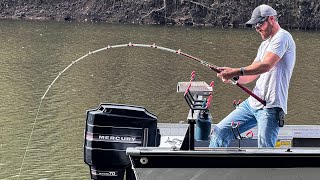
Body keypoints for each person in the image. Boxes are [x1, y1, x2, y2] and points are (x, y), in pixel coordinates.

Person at [209, 4, 296, 147]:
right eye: (255, 25)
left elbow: (266, 66)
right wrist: (233, 75)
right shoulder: (264, 45)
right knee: (220, 132)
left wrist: (235, 71)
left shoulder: (282, 37)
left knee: (265, 150)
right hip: (253, 103)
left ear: (271, 19)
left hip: (271, 106)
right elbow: (252, 73)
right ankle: (213, 168)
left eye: (260, 24)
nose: (257, 28)